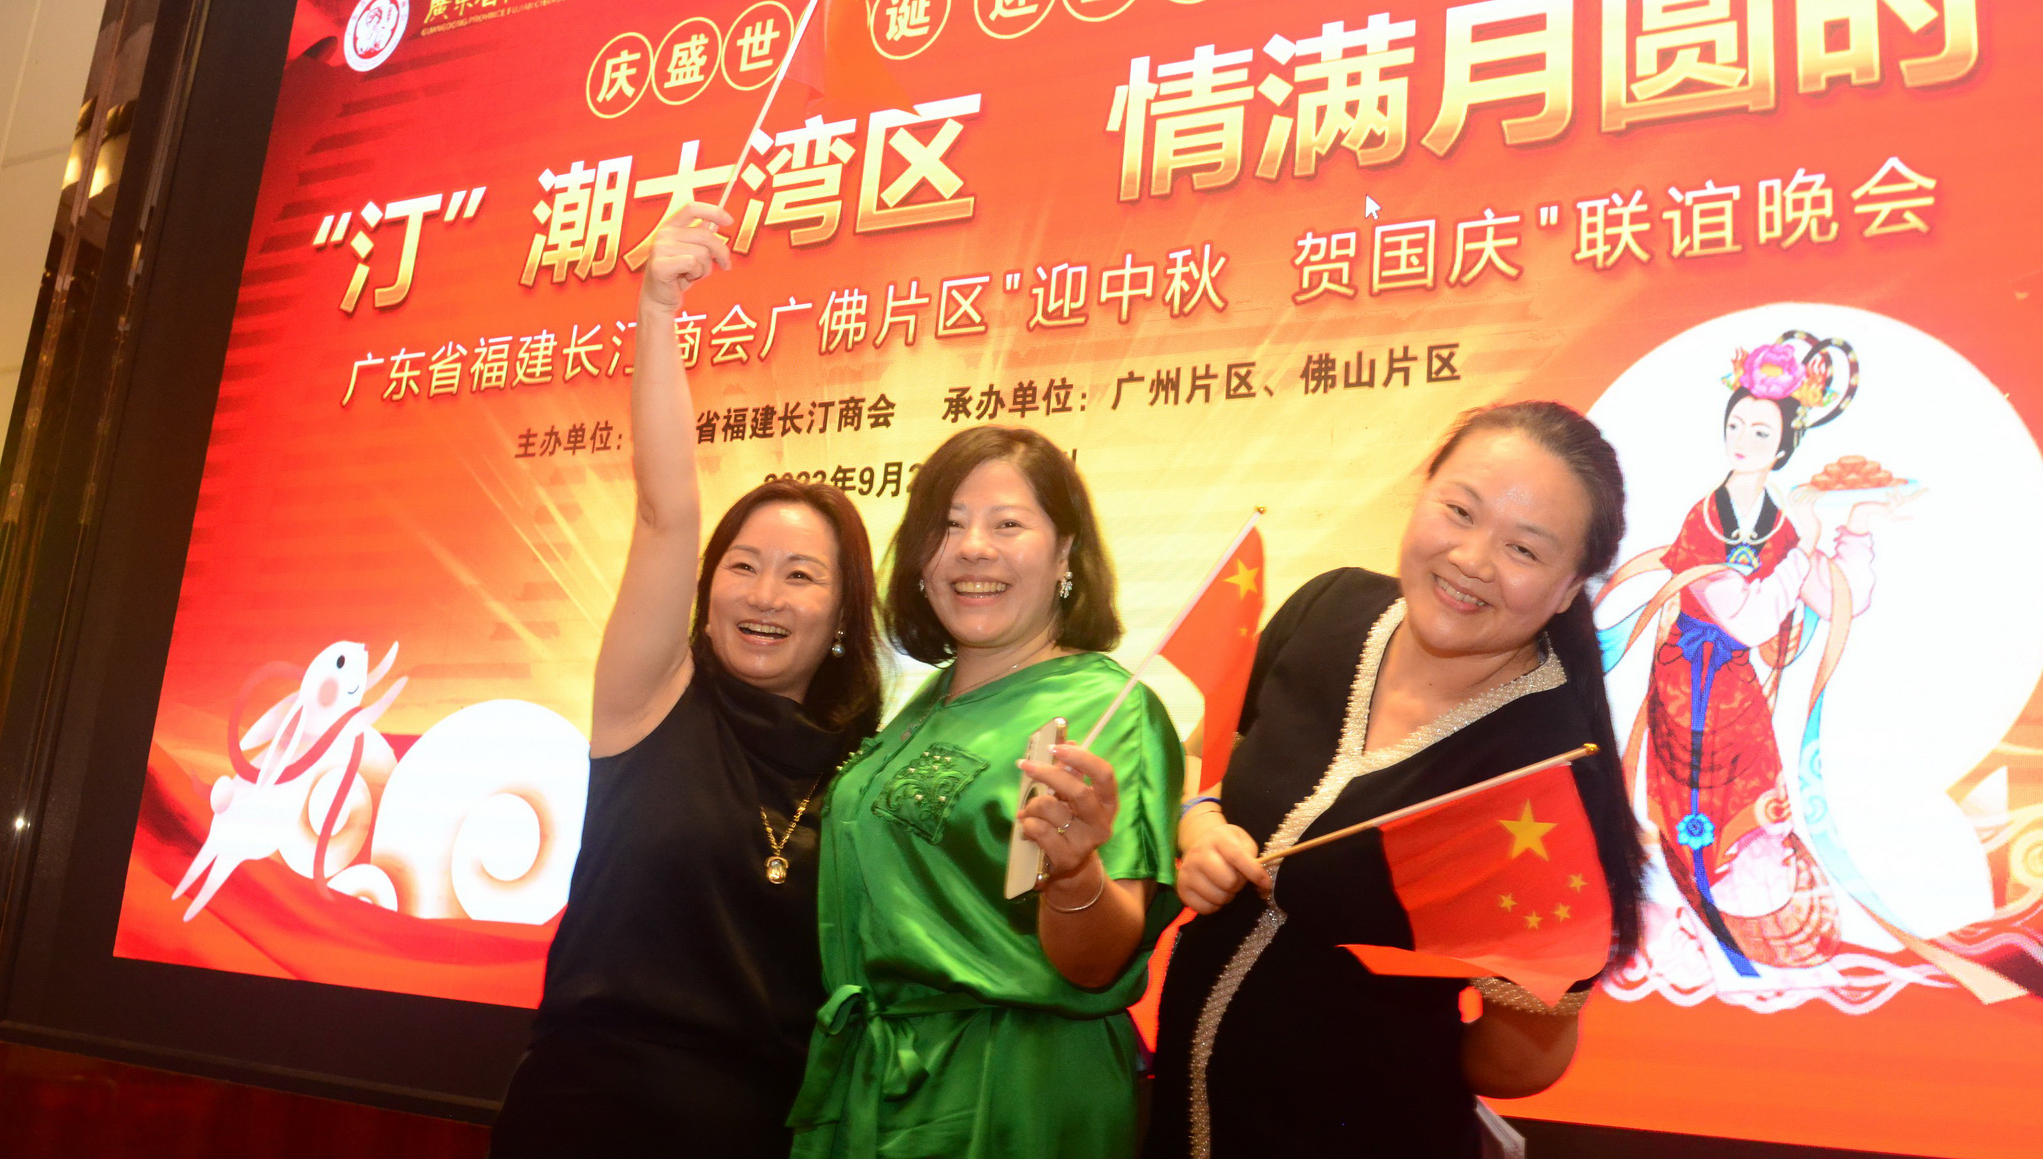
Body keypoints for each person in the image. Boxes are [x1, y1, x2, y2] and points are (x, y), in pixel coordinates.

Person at [1146, 401, 1647, 1159]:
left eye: (1522, 548)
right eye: (1459, 510)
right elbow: (1206, 757)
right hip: (1183, 1116)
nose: (1472, 559)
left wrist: (1370, 1049)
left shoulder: (1545, 780)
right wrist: (1199, 823)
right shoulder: (1327, 607)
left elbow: (1521, 1060)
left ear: (1571, 585)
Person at [492, 203, 883, 1158]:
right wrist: (658, 310)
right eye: (743, 565)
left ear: (842, 616)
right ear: (705, 592)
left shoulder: (863, 772)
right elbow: (666, 512)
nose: (765, 594)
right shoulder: (651, 701)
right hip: (585, 1113)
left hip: (763, 1130)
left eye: (802, 575)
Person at [788, 425, 1183, 1159]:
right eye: (948, 524)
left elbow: (1097, 964)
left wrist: (1074, 874)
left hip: (1014, 1087)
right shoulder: (921, 704)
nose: (972, 547)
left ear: (1065, 554)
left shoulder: (1106, 709)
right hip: (881, 1081)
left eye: (1007, 524)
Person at [1605, 331, 1894, 973]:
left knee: (1758, 816)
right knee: (1697, 819)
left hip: (1737, 692)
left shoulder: (1782, 520)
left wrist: (1855, 532)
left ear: (1784, 445)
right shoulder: (1704, 519)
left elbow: (1836, 600)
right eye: (1736, 424)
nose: (1744, 440)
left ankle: (1750, 934)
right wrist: (1803, 546)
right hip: (1690, 688)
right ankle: (1690, 930)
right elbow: (1748, 619)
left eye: (1761, 432)